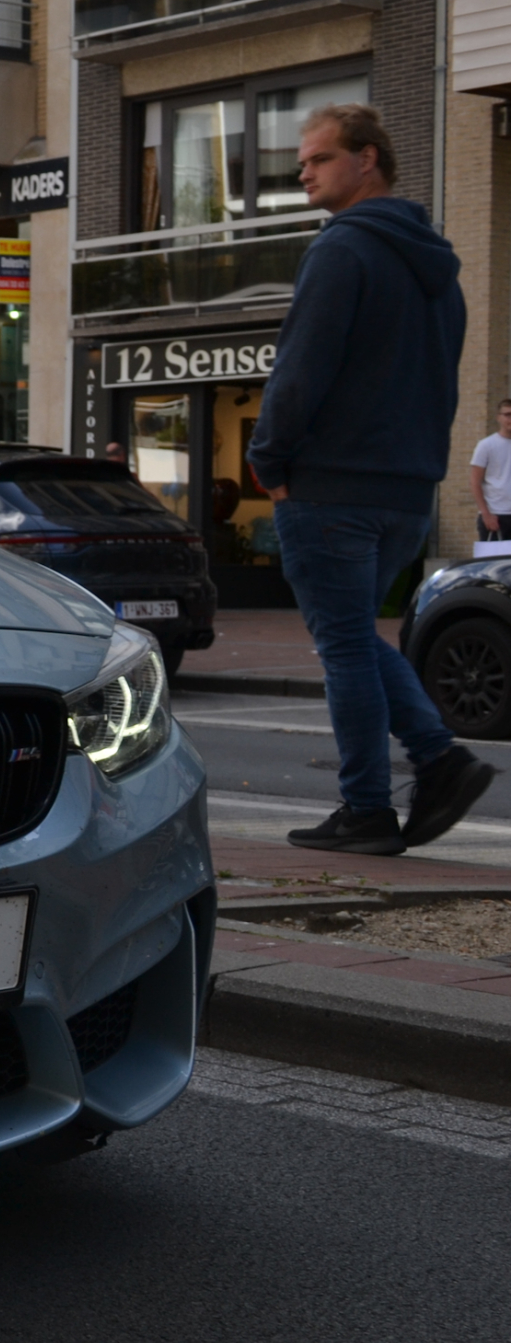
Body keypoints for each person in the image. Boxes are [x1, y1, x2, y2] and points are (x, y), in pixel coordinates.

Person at [250, 102, 496, 854]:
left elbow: (301, 369)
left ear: (368, 160)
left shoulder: (342, 250)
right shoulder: (440, 272)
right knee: (356, 637)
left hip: (330, 488)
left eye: (319, 158)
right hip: (406, 493)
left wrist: (270, 457)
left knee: (346, 646)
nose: (303, 172)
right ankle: (433, 765)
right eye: (302, 162)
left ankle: (380, 797)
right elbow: (442, 386)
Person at [473, 397, 511, 546]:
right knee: (494, 567)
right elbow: (474, 481)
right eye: (507, 415)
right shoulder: (486, 445)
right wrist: (486, 514)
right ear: (498, 418)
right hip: (495, 515)